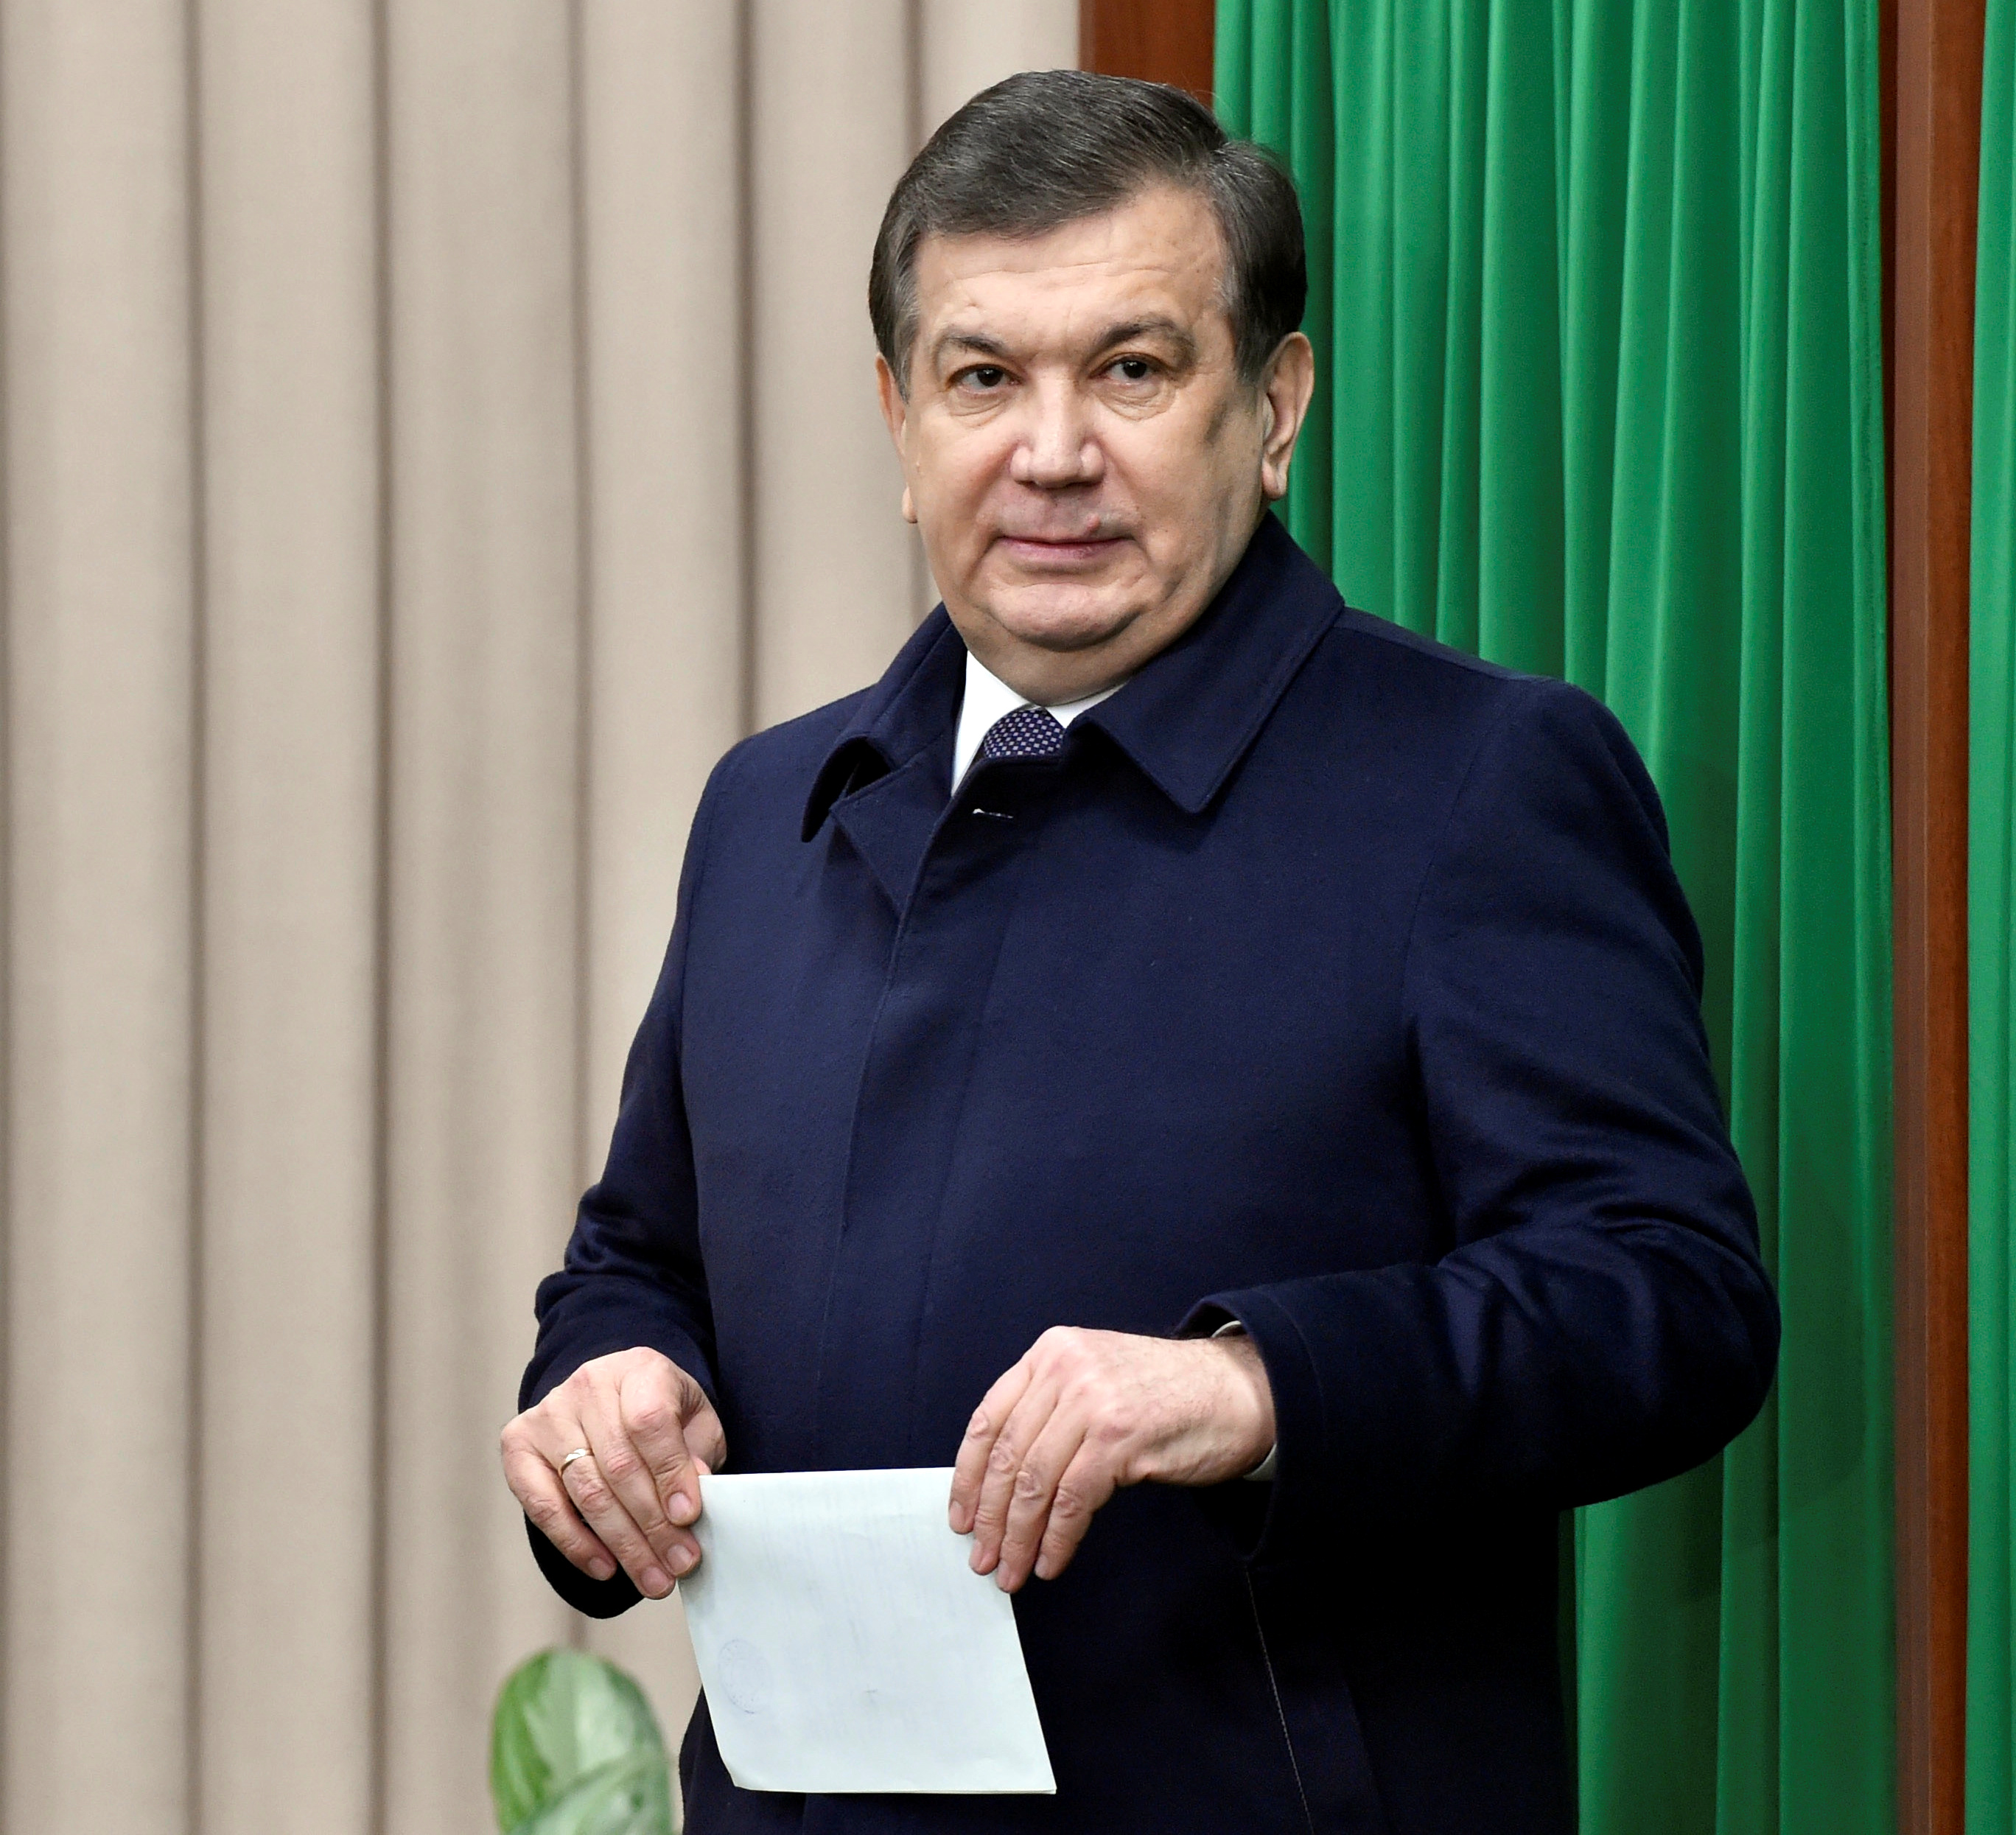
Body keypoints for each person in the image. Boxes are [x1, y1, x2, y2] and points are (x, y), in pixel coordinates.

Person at [501, 69, 1777, 1834]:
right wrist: (609, 1391)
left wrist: (1251, 1384)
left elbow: (1673, 1302)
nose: (1050, 453)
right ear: (896, 420)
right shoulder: (765, 807)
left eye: (1131, 369)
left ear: (1272, 406)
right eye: (981, 378)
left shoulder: (1475, 780)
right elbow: (637, 1257)